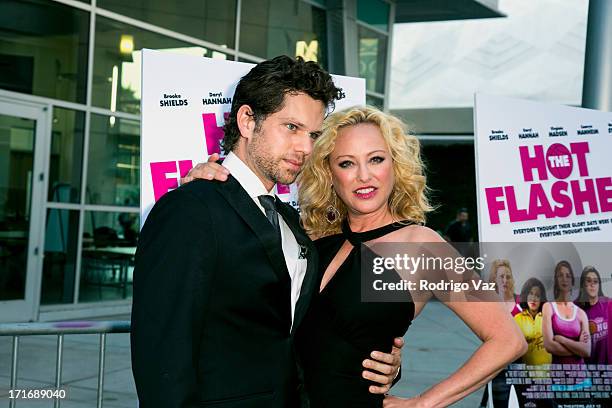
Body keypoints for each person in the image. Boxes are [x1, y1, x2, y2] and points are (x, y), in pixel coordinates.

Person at [188, 105, 527, 407]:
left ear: (396, 164)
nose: (364, 176)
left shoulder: (419, 245)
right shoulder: (310, 234)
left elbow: (507, 340)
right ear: (329, 173)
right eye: (347, 163)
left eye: (376, 159)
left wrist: (425, 402)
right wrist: (203, 185)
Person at [131, 57, 402, 408]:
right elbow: (162, 356)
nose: (305, 147)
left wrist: (386, 364)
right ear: (247, 120)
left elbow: (305, 332)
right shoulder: (190, 209)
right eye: (291, 127)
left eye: (313, 134)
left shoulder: (291, 222)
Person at [542, 260, 591, 364]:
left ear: (572, 281)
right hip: (558, 378)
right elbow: (549, 346)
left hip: (581, 378)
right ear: (556, 280)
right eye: (560, 275)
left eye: (568, 276)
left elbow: (587, 351)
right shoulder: (548, 307)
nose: (564, 279)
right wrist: (578, 348)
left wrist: (562, 340)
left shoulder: (581, 313)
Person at [513, 278, 552, 407]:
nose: (534, 299)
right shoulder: (517, 319)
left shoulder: (548, 317)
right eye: (531, 294)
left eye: (537, 295)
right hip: (526, 380)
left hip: (547, 379)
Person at [574, 266, 609, 364]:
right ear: (582, 285)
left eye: (595, 281)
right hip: (584, 368)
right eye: (588, 281)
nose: (592, 284)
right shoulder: (575, 308)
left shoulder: (607, 304)